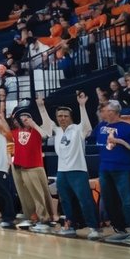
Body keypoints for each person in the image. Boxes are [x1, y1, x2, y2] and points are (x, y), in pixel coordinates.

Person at [35, 93, 101, 239]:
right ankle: (70, 225)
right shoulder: (57, 131)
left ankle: (94, 228)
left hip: (78, 171)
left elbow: (86, 125)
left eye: (65, 115)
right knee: (65, 201)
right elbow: (47, 123)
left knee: (85, 201)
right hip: (62, 172)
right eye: (60, 116)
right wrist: (41, 107)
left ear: (70, 117)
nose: (62, 118)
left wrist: (82, 106)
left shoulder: (77, 130)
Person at [94, 99, 130, 246]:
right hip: (105, 168)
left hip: (124, 169)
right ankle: (121, 230)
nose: (102, 113)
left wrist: (119, 141)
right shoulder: (101, 126)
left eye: (105, 110)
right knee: (110, 201)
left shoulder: (128, 127)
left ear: (113, 112)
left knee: (129, 200)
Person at [10, 108, 54, 233]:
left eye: (27, 117)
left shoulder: (36, 130)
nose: (24, 120)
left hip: (35, 166)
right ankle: (32, 217)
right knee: (26, 196)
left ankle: (44, 219)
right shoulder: (16, 132)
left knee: (39, 195)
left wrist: (33, 124)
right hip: (21, 167)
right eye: (22, 118)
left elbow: (46, 136)